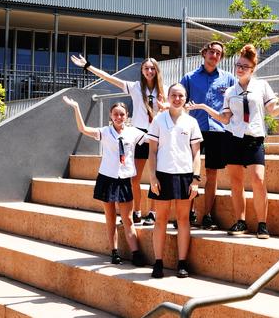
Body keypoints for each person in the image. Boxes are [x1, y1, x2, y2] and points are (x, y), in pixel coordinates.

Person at [188, 44, 279, 239]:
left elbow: (273, 111)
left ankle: (262, 224)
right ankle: (240, 221)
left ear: (252, 69)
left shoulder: (262, 86)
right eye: (238, 65)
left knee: (258, 180)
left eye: (244, 66)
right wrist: (203, 107)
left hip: (254, 138)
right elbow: (225, 118)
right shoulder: (230, 91)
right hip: (233, 138)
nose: (240, 68)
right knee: (236, 182)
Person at [71, 54, 166, 226]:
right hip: (138, 134)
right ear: (142, 71)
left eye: (153, 68)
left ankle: (153, 212)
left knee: (156, 175)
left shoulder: (163, 90)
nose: (150, 71)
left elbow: (174, 108)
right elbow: (109, 78)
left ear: (157, 70)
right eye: (146, 68)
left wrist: (164, 108)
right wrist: (88, 66)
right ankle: (136, 211)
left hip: (156, 134)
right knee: (134, 177)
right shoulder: (135, 87)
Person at [62, 97, 147, 266]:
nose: (119, 117)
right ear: (110, 115)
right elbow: (83, 129)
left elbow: (153, 138)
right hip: (107, 178)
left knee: (128, 218)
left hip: (124, 180)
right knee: (110, 217)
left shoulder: (134, 132)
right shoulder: (105, 132)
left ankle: (135, 252)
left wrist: (162, 113)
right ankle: (114, 251)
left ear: (127, 116)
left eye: (122, 114)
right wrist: (76, 107)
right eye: (115, 114)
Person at [146, 83, 202, 278]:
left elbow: (196, 153)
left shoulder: (191, 123)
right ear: (168, 96)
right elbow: (152, 151)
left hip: (185, 176)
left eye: (181, 95)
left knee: (183, 219)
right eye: (174, 95)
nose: (177, 99)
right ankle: (158, 263)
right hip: (162, 175)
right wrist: (152, 176)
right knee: (160, 219)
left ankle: (182, 263)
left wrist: (195, 179)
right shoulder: (158, 121)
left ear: (185, 98)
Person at [180, 41, 236, 230]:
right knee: (189, 172)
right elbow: (179, 100)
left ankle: (208, 215)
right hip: (194, 129)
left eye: (218, 53)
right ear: (204, 53)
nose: (214, 55)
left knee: (212, 173)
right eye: (211, 52)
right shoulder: (189, 77)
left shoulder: (228, 79)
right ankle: (189, 211)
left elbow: (236, 100)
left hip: (218, 131)